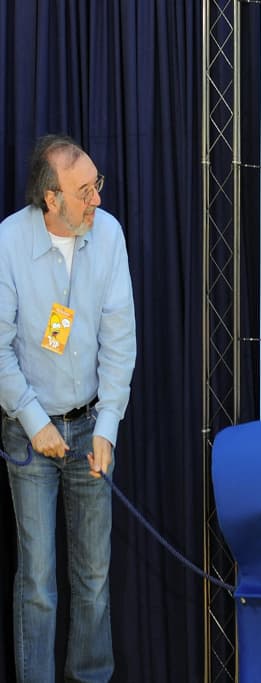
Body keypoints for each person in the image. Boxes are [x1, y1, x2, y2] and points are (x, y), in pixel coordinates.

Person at [0, 134, 136, 681]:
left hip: (89, 427)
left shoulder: (109, 235)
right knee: (38, 581)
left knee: (94, 578)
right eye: (85, 191)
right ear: (50, 199)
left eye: (96, 184)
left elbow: (119, 339)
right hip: (29, 434)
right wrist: (34, 421)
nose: (97, 199)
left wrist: (107, 427)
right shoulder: (9, 242)